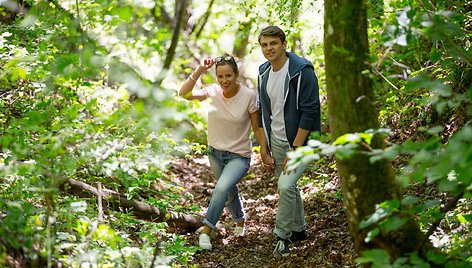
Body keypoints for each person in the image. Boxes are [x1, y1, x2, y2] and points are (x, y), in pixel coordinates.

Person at [179, 53, 266, 251]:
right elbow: (184, 94)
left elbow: (257, 127)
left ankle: (206, 231)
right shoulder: (212, 91)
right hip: (214, 153)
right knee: (228, 191)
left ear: (236, 74)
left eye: (228, 76)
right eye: (220, 76)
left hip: (239, 156)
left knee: (221, 188)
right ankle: (240, 220)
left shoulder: (249, 96)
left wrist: (263, 150)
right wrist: (200, 69)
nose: (224, 80)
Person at [256, 26, 321, 257]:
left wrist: (296, 148)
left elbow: (309, 110)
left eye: (273, 43)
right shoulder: (263, 72)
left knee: (284, 186)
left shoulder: (302, 70)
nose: (268, 49)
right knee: (289, 188)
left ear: (283, 44)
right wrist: (263, 146)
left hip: (301, 143)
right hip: (276, 140)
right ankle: (299, 229)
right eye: (264, 45)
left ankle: (281, 236)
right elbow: (264, 110)